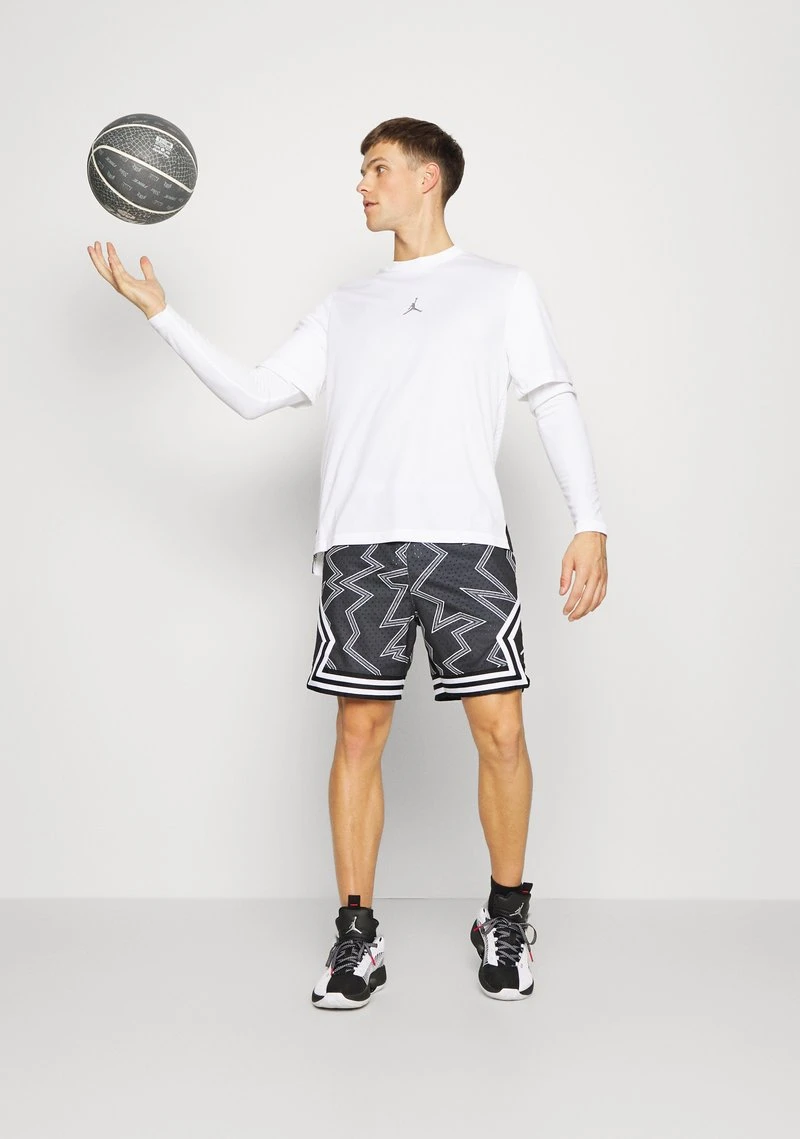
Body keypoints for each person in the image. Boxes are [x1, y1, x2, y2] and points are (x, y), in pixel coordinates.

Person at [87, 116, 608, 1010]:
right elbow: (256, 394)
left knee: (501, 734)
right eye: (362, 170)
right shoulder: (346, 306)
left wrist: (588, 521)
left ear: (428, 178)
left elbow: (552, 396)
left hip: (467, 545)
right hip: (360, 548)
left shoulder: (500, 287)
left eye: (377, 168)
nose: (361, 185)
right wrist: (160, 312)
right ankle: (357, 937)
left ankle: (506, 917)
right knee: (359, 735)